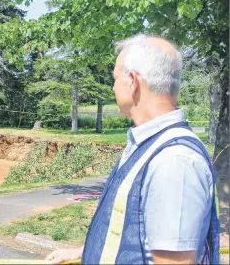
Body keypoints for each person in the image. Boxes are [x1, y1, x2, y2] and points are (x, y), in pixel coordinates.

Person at [46, 34, 220, 264]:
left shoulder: (174, 160)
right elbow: (132, 227)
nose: (112, 86)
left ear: (133, 82)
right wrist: (82, 251)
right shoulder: (150, 145)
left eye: (115, 78)